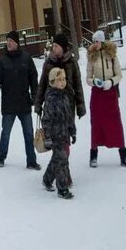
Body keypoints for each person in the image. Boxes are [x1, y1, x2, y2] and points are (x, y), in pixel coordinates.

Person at [0, 30, 39, 170]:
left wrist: (34, 96)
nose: (8, 43)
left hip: (24, 103)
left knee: (29, 134)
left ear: (17, 42)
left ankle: (31, 161)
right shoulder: (2, 61)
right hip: (8, 104)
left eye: (11, 41)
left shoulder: (26, 58)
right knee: (5, 133)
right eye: (7, 41)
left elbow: (33, 79)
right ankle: (1, 158)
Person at [86, 29, 126, 168]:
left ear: (103, 41)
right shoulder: (91, 56)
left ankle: (123, 156)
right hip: (97, 94)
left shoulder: (112, 55)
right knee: (96, 124)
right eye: (94, 41)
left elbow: (119, 75)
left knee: (116, 123)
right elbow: (88, 78)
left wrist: (110, 82)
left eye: (97, 41)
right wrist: (94, 82)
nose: (95, 44)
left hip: (110, 93)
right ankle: (93, 156)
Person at [38, 67, 77, 199]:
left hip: (64, 133)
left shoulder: (65, 96)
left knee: (57, 159)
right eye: (59, 80)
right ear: (52, 82)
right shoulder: (50, 99)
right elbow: (46, 120)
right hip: (55, 135)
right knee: (62, 160)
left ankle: (47, 179)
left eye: (64, 79)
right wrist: (47, 137)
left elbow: (69, 116)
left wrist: (73, 131)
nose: (63, 82)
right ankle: (62, 188)